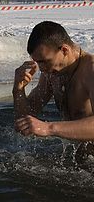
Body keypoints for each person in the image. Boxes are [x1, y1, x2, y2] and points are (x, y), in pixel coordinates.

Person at [13, 21, 94, 163]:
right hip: (82, 162)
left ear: (64, 50)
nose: (41, 69)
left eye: (45, 61)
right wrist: (18, 90)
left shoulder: (90, 71)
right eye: (37, 62)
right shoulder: (52, 73)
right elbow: (26, 117)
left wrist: (49, 128)